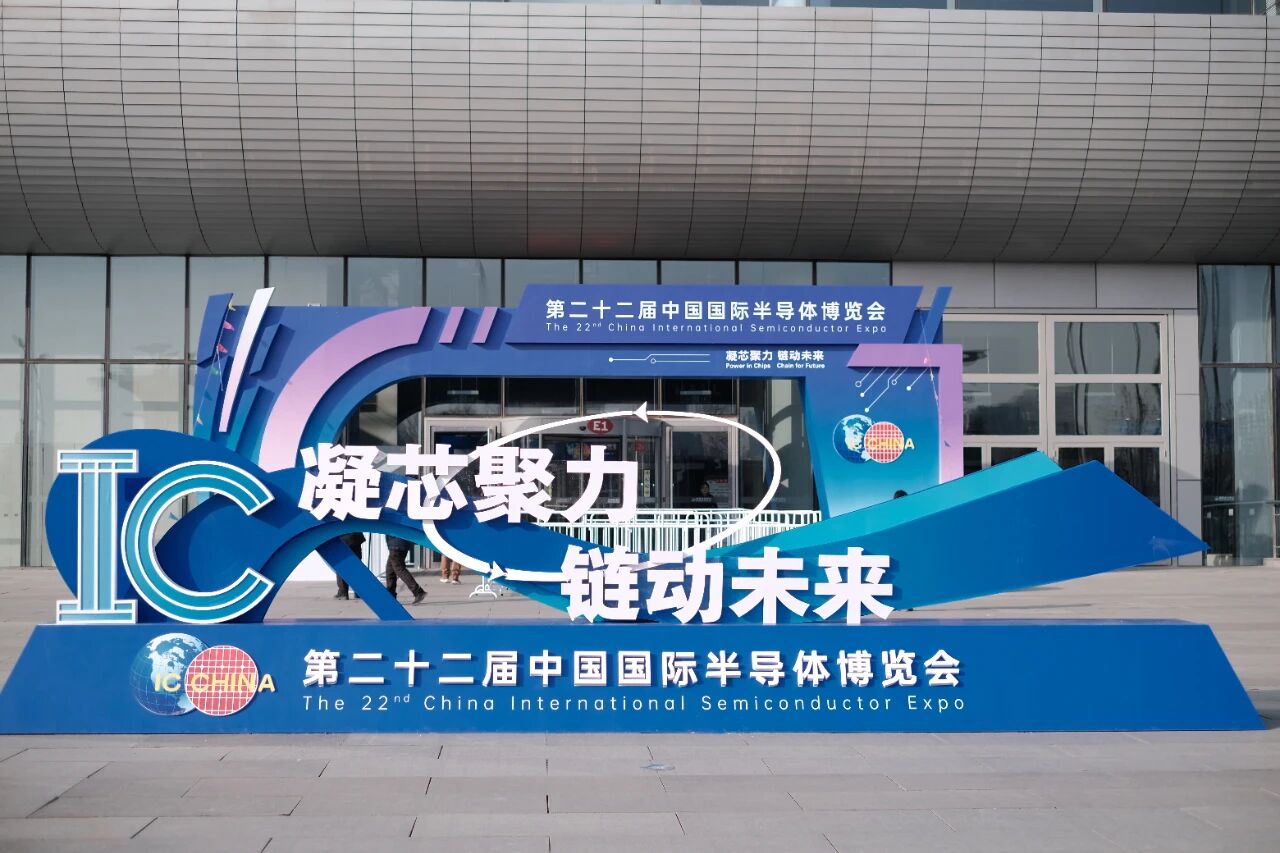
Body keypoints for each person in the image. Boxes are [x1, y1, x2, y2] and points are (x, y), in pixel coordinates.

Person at [385, 535, 427, 605]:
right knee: (390, 570)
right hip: (400, 544)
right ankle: (390, 595)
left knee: (399, 568)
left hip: (396, 545)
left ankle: (418, 591)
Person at [334, 532, 365, 600]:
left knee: (341, 565)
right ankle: (359, 592)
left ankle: (343, 592)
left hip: (343, 538)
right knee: (356, 566)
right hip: (356, 537)